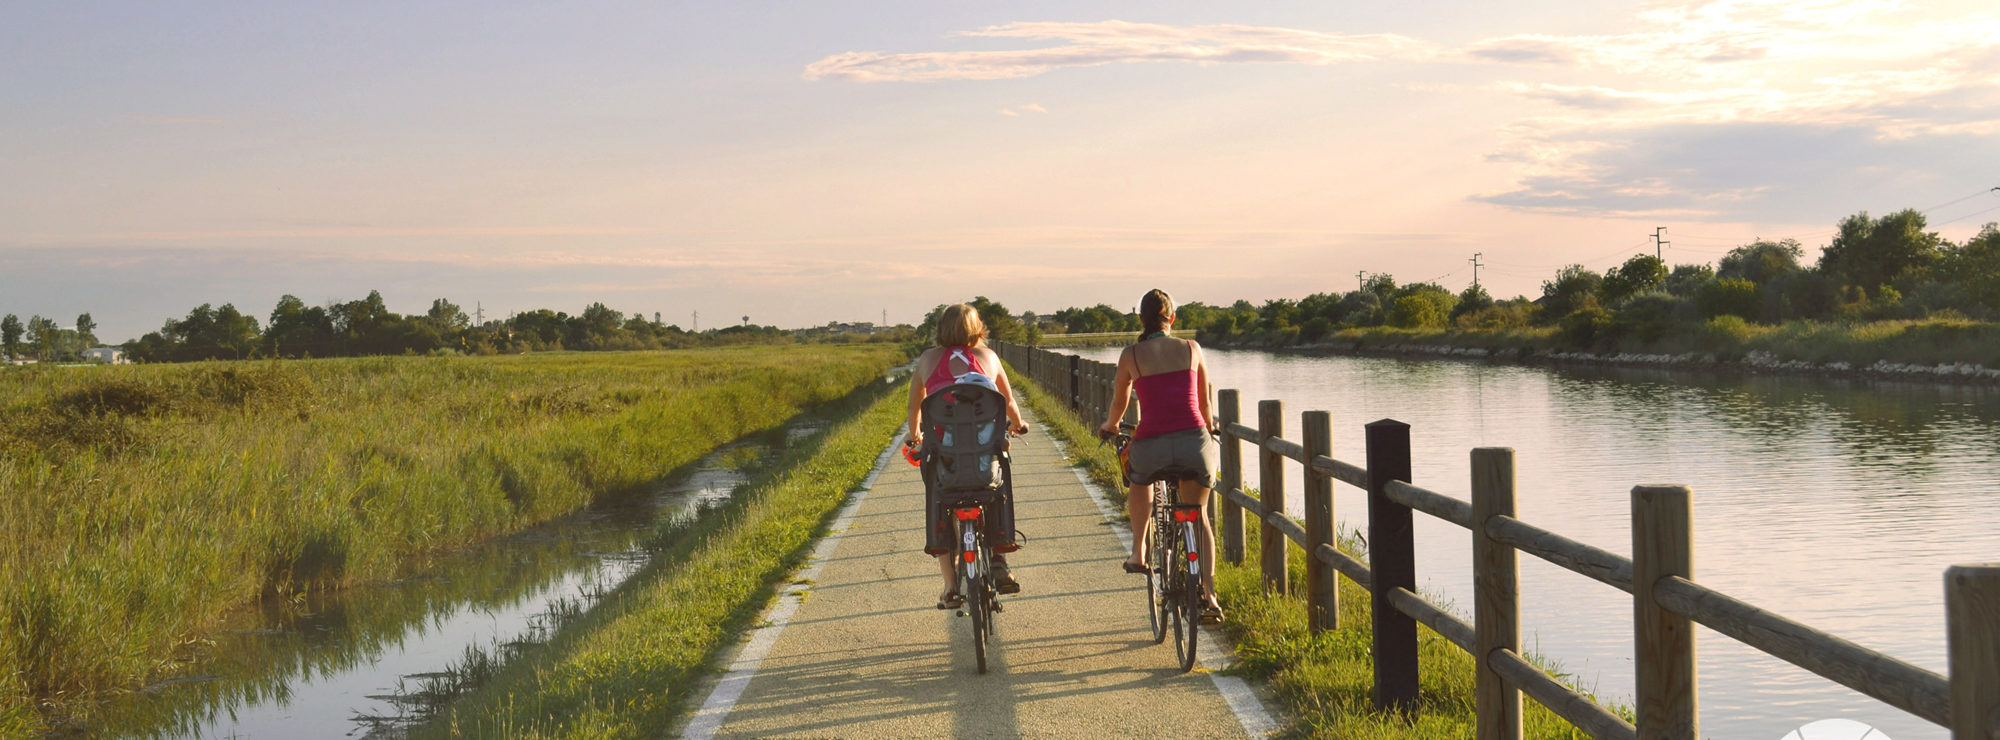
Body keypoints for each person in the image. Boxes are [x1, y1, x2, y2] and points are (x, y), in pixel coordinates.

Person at [1099, 289, 1223, 623]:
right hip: (1193, 444)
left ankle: (1139, 550)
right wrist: (1210, 428)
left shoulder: (1131, 355)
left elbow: (1118, 404)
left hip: (1151, 443)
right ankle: (1209, 594)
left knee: (1139, 480)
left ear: (1141, 318)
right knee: (1198, 515)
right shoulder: (1190, 348)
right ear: (1172, 318)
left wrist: (1110, 426)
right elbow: (1205, 404)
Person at [906, 303, 1030, 610]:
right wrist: (1019, 424)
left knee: (938, 498)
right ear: (978, 330)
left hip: (945, 458)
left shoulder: (927, 360)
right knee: (999, 482)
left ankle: (950, 586)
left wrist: (915, 435)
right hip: (983, 454)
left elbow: (914, 408)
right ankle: (999, 553)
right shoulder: (989, 357)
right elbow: (1008, 401)